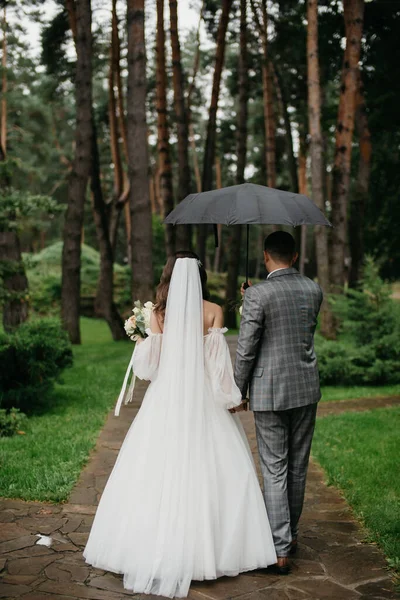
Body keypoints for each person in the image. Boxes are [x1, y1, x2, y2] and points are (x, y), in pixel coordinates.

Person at [83, 251, 276, 598]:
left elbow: (149, 369)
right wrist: (231, 398)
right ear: (200, 276)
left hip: (166, 397)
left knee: (155, 467)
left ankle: (152, 544)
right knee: (214, 467)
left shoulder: (157, 313)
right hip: (203, 398)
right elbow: (218, 366)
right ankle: (212, 550)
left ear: (168, 275)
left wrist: (142, 341)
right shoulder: (214, 310)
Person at [234, 231, 323, 574]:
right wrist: (252, 298)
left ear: (265, 256)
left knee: (275, 467)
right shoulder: (313, 289)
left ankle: (279, 546)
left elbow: (247, 349)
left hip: (270, 391)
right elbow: (291, 326)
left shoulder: (259, 294)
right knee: (298, 466)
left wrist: (237, 390)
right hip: (305, 388)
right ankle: (292, 535)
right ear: (296, 256)